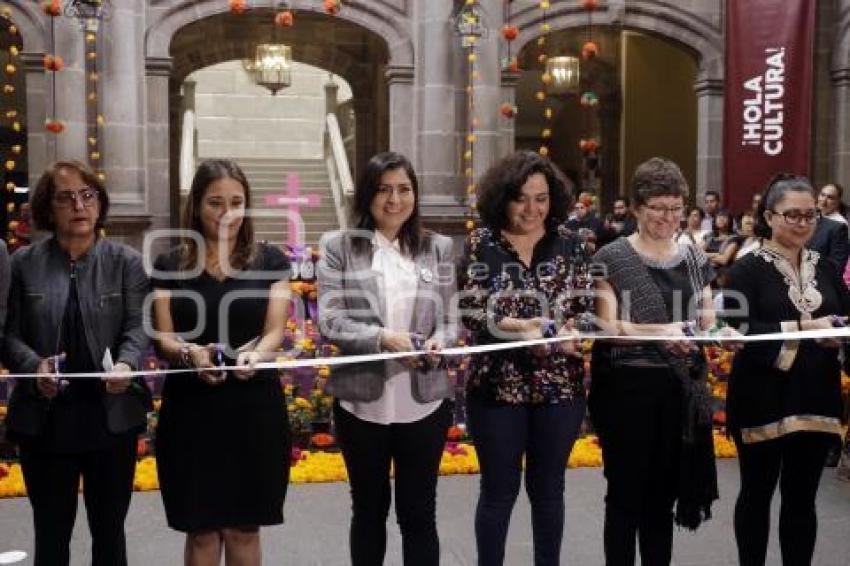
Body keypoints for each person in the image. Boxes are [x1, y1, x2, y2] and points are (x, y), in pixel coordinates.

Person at [4, 160, 151, 566]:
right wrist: (35, 368)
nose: (79, 205)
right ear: (49, 209)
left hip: (109, 417)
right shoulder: (22, 265)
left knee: (109, 534)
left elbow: (139, 328)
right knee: (51, 537)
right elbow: (7, 334)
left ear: (100, 204)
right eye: (65, 197)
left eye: (87, 195)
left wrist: (126, 364)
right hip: (45, 419)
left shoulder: (125, 262)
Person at [317, 151, 455, 566]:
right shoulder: (339, 246)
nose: (394, 199)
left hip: (424, 402)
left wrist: (437, 344)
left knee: (419, 514)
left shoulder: (437, 247)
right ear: (367, 196)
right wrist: (383, 338)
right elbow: (330, 320)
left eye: (404, 189)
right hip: (362, 402)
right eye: (383, 190)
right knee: (369, 511)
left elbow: (450, 320)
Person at [151, 159, 291, 566]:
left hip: (254, 409)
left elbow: (275, 332)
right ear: (196, 205)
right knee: (202, 533)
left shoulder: (271, 261)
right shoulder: (169, 264)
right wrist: (189, 353)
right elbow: (162, 337)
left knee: (244, 530)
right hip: (192, 408)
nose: (227, 212)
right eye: (215, 202)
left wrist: (256, 355)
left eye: (236, 202)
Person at [590, 157, 726, 566]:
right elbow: (608, 327)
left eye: (675, 208)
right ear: (636, 208)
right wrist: (665, 332)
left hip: (677, 393)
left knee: (662, 497)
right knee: (625, 496)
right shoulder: (611, 257)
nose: (668, 217)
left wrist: (721, 335)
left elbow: (706, 322)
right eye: (658, 207)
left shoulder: (695, 258)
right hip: (626, 392)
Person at [459, 150, 592, 566]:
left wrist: (573, 332)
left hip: (561, 385)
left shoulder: (572, 244)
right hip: (498, 385)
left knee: (549, 490)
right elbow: (472, 312)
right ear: (503, 198)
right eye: (521, 198)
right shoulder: (482, 243)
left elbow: (585, 306)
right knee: (499, 492)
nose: (532, 209)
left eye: (542, 197)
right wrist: (521, 329)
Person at [723, 173, 849, 566]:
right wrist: (803, 327)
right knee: (756, 494)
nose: (802, 223)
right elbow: (739, 329)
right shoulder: (746, 269)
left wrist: (837, 337)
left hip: (816, 393)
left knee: (802, 498)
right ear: (769, 216)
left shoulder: (826, 267)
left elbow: (842, 317)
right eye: (792, 214)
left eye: (810, 215)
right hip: (762, 394)